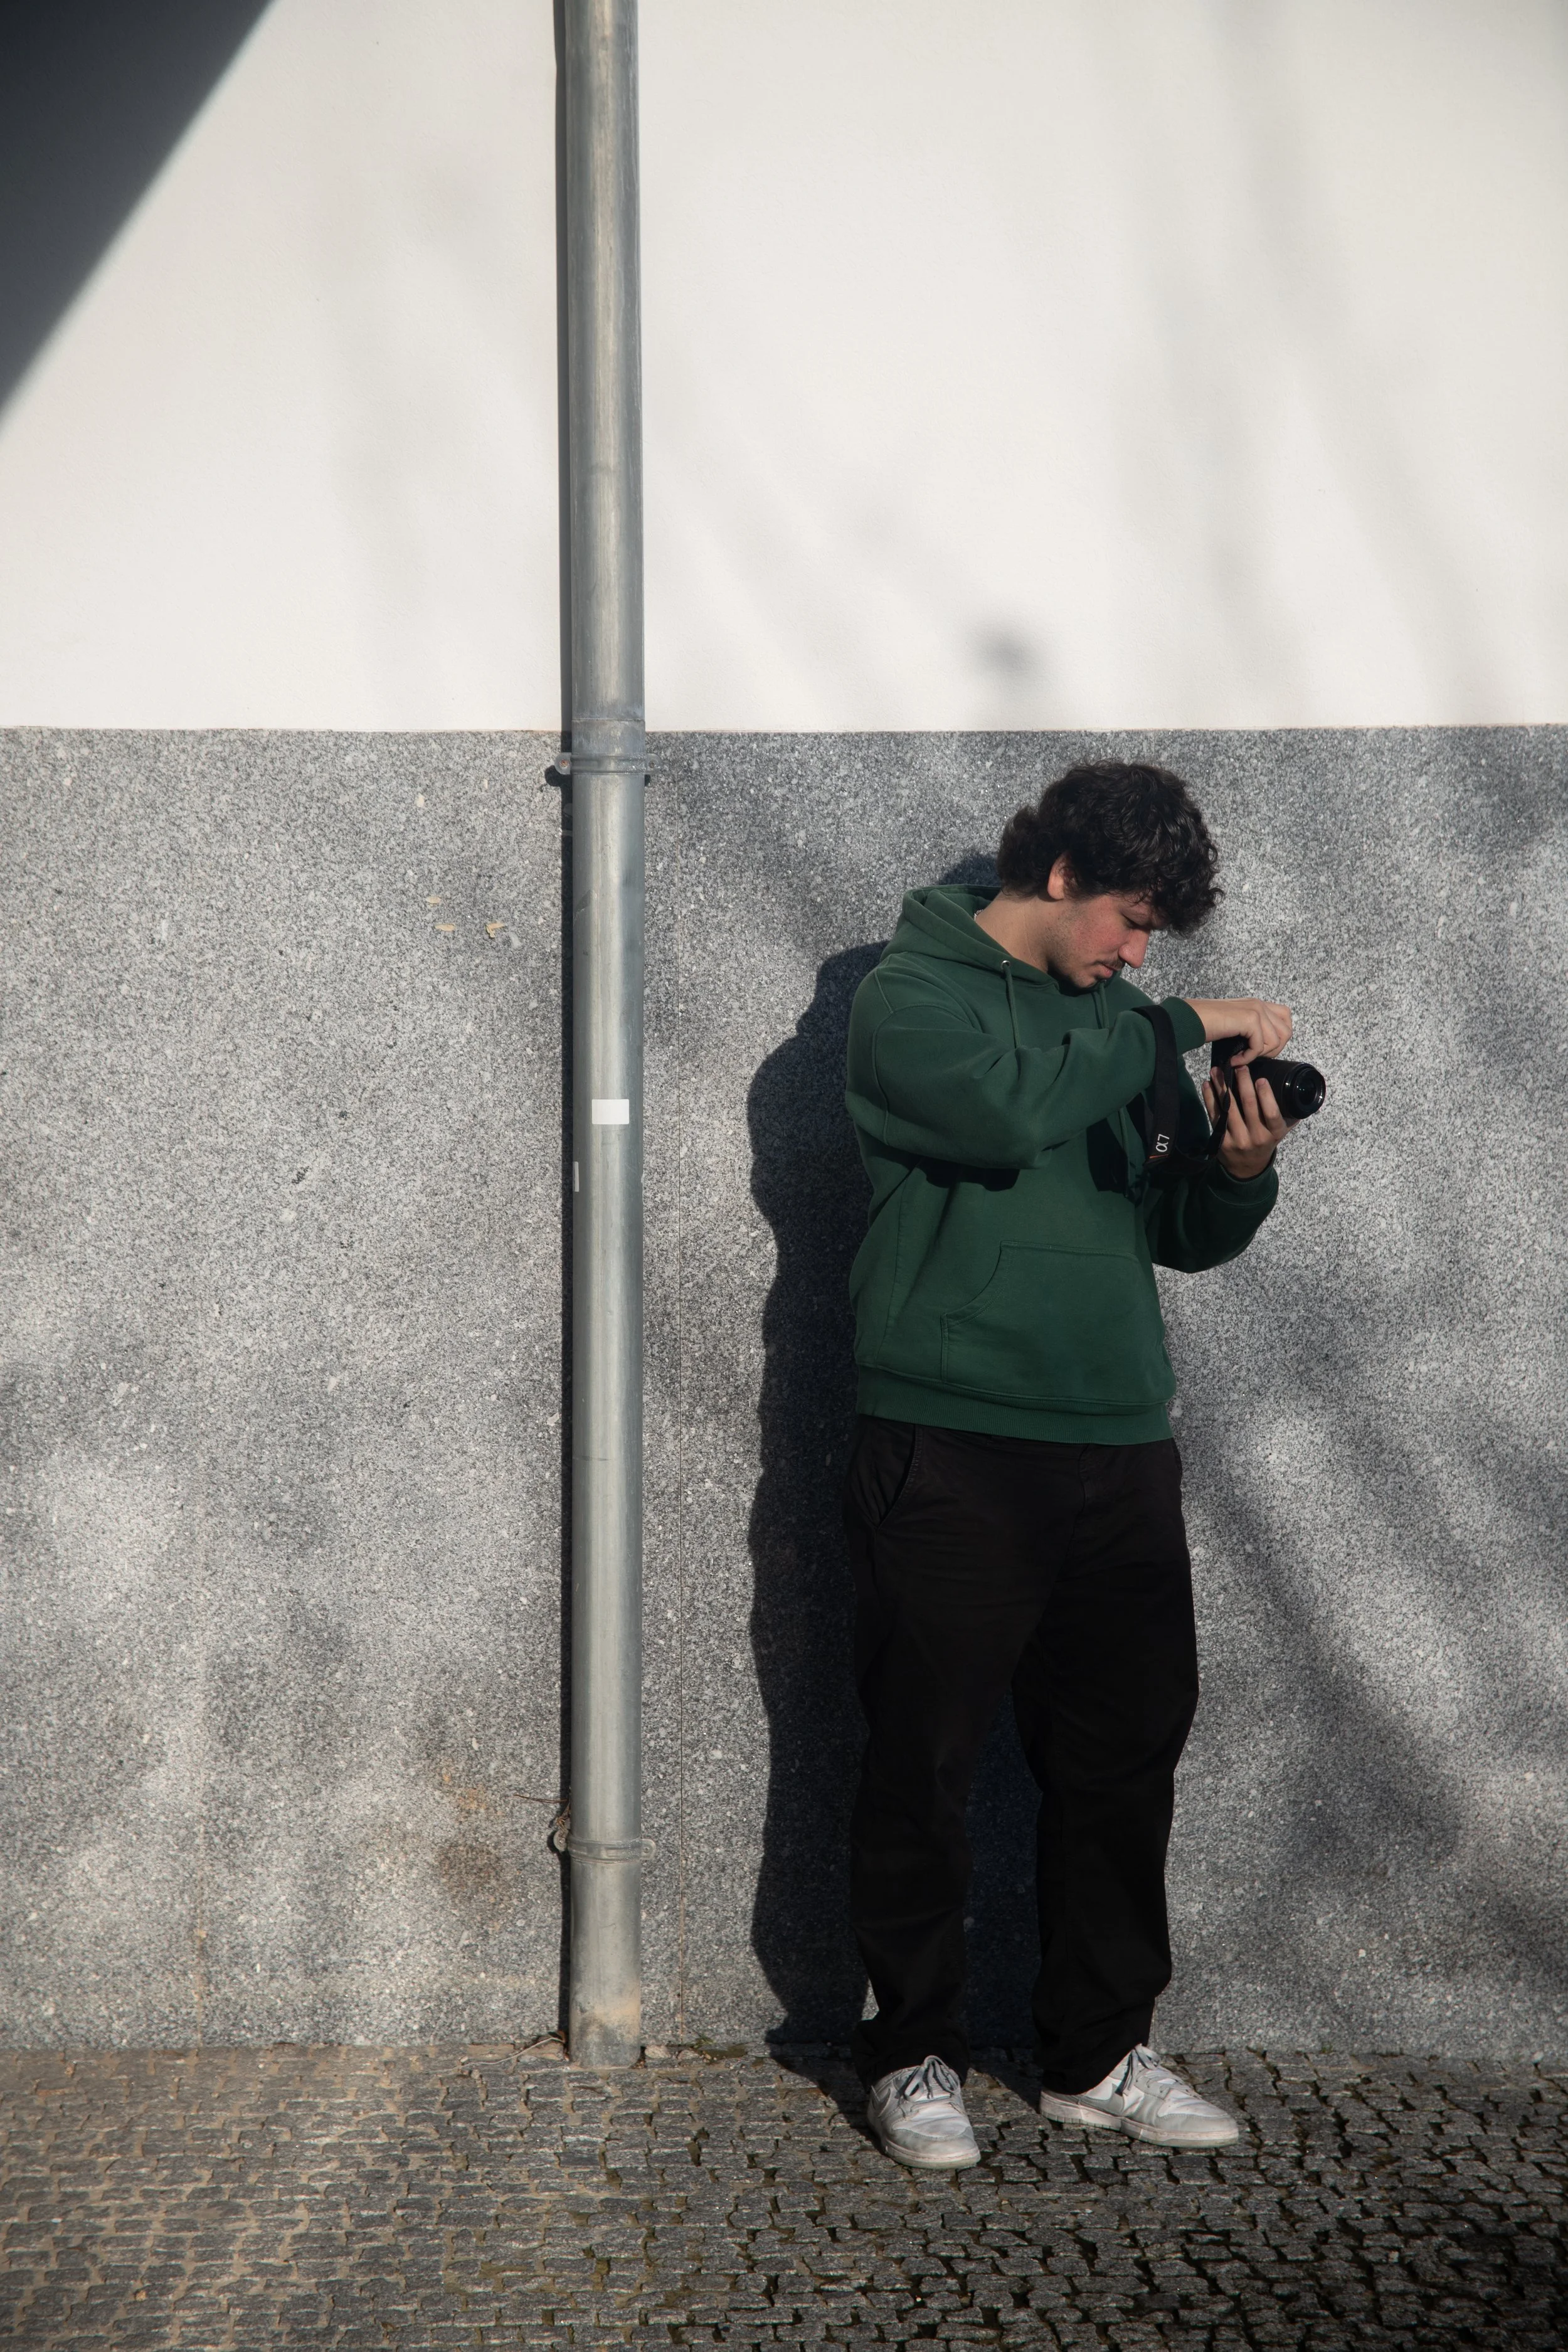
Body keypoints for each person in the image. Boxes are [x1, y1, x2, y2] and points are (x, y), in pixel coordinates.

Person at [841, 759, 1298, 2169]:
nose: (1139, 956)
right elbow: (996, 1114)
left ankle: (1095, 2053)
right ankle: (910, 2050)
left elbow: (1169, 1231)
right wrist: (1168, 1025)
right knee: (924, 1757)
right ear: (1058, 876)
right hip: (951, 1440)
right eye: (1131, 920)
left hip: (1118, 1442)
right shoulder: (908, 998)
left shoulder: (1117, 1027)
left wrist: (1235, 1173)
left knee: (1122, 1759)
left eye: (1155, 938)